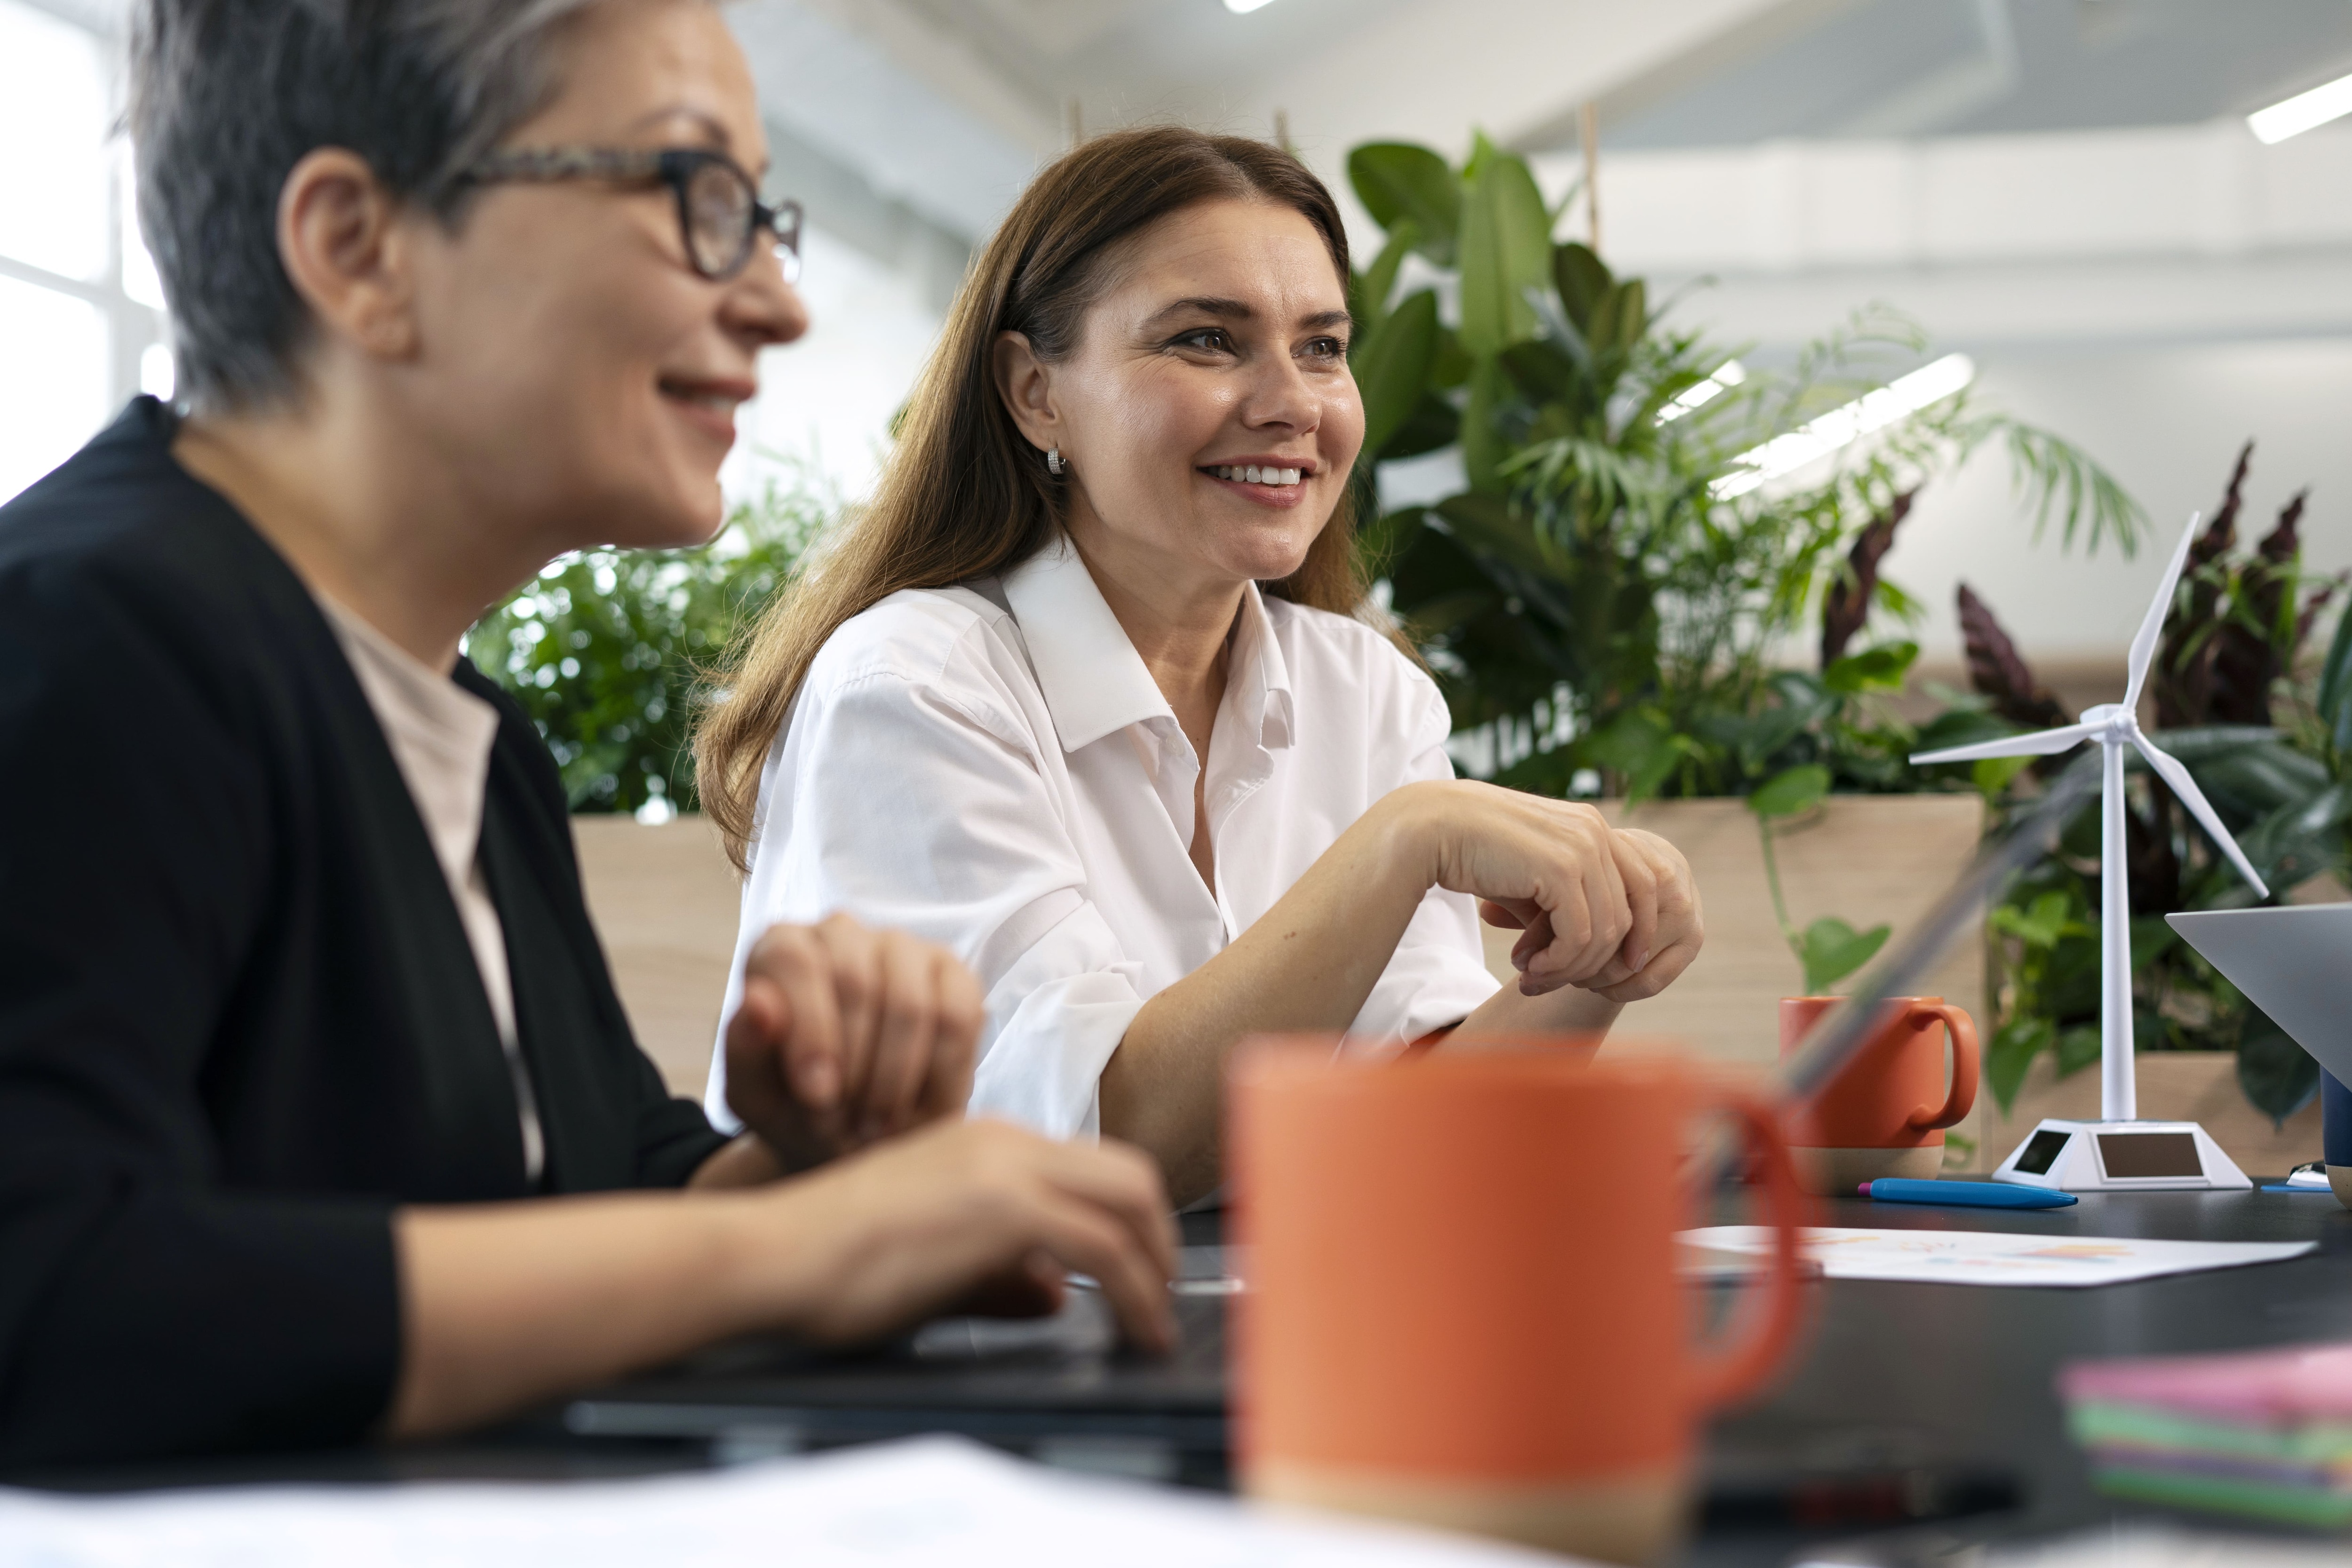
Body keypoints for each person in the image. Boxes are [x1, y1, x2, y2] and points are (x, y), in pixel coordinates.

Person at [0, 0, 1176, 1471]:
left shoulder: (470, 733)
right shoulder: (80, 634)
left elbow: (600, 1190)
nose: (778, 303)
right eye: (696, 198)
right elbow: (52, 1295)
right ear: (360, 247)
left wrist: (823, 1163)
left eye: (765, 217)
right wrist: (794, 1247)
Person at [694, 128, 1708, 1209]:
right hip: (935, 1357)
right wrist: (1404, 839)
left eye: (1321, 346)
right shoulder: (914, 687)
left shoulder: (1366, 691)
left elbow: (1416, 1132)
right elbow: (1099, 1144)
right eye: (1206, 341)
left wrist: (1599, 961)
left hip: (1234, 1340)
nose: (1292, 402)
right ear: (1036, 392)